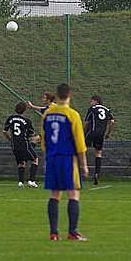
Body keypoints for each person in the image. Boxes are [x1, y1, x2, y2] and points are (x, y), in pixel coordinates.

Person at [42, 84, 89, 241]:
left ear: (56, 95)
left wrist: (46, 158)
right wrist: (84, 165)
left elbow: (44, 139)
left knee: (55, 194)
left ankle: (53, 233)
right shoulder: (72, 115)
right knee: (73, 193)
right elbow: (80, 143)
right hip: (67, 158)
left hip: (52, 158)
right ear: (70, 95)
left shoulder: (47, 114)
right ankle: (72, 232)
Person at [3, 102, 40, 188]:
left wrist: (10, 139)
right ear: (24, 110)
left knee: (21, 162)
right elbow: (31, 134)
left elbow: (4, 131)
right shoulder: (27, 121)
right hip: (24, 144)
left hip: (14, 145)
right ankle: (31, 180)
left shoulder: (10, 118)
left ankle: (20, 182)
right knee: (35, 159)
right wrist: (38, 138)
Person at [84, 95, 115, 185]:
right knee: (98, 153)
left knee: (80, 150)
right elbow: (112, 122)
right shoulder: (107, 110)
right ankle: (97, 173)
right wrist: (108, 133)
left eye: (91, 101)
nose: (90, 103)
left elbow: (86, 122)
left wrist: (83, 133)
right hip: (101, 134)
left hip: (92, 132)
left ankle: (76, 172)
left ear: (96, 101)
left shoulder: (92, 109)